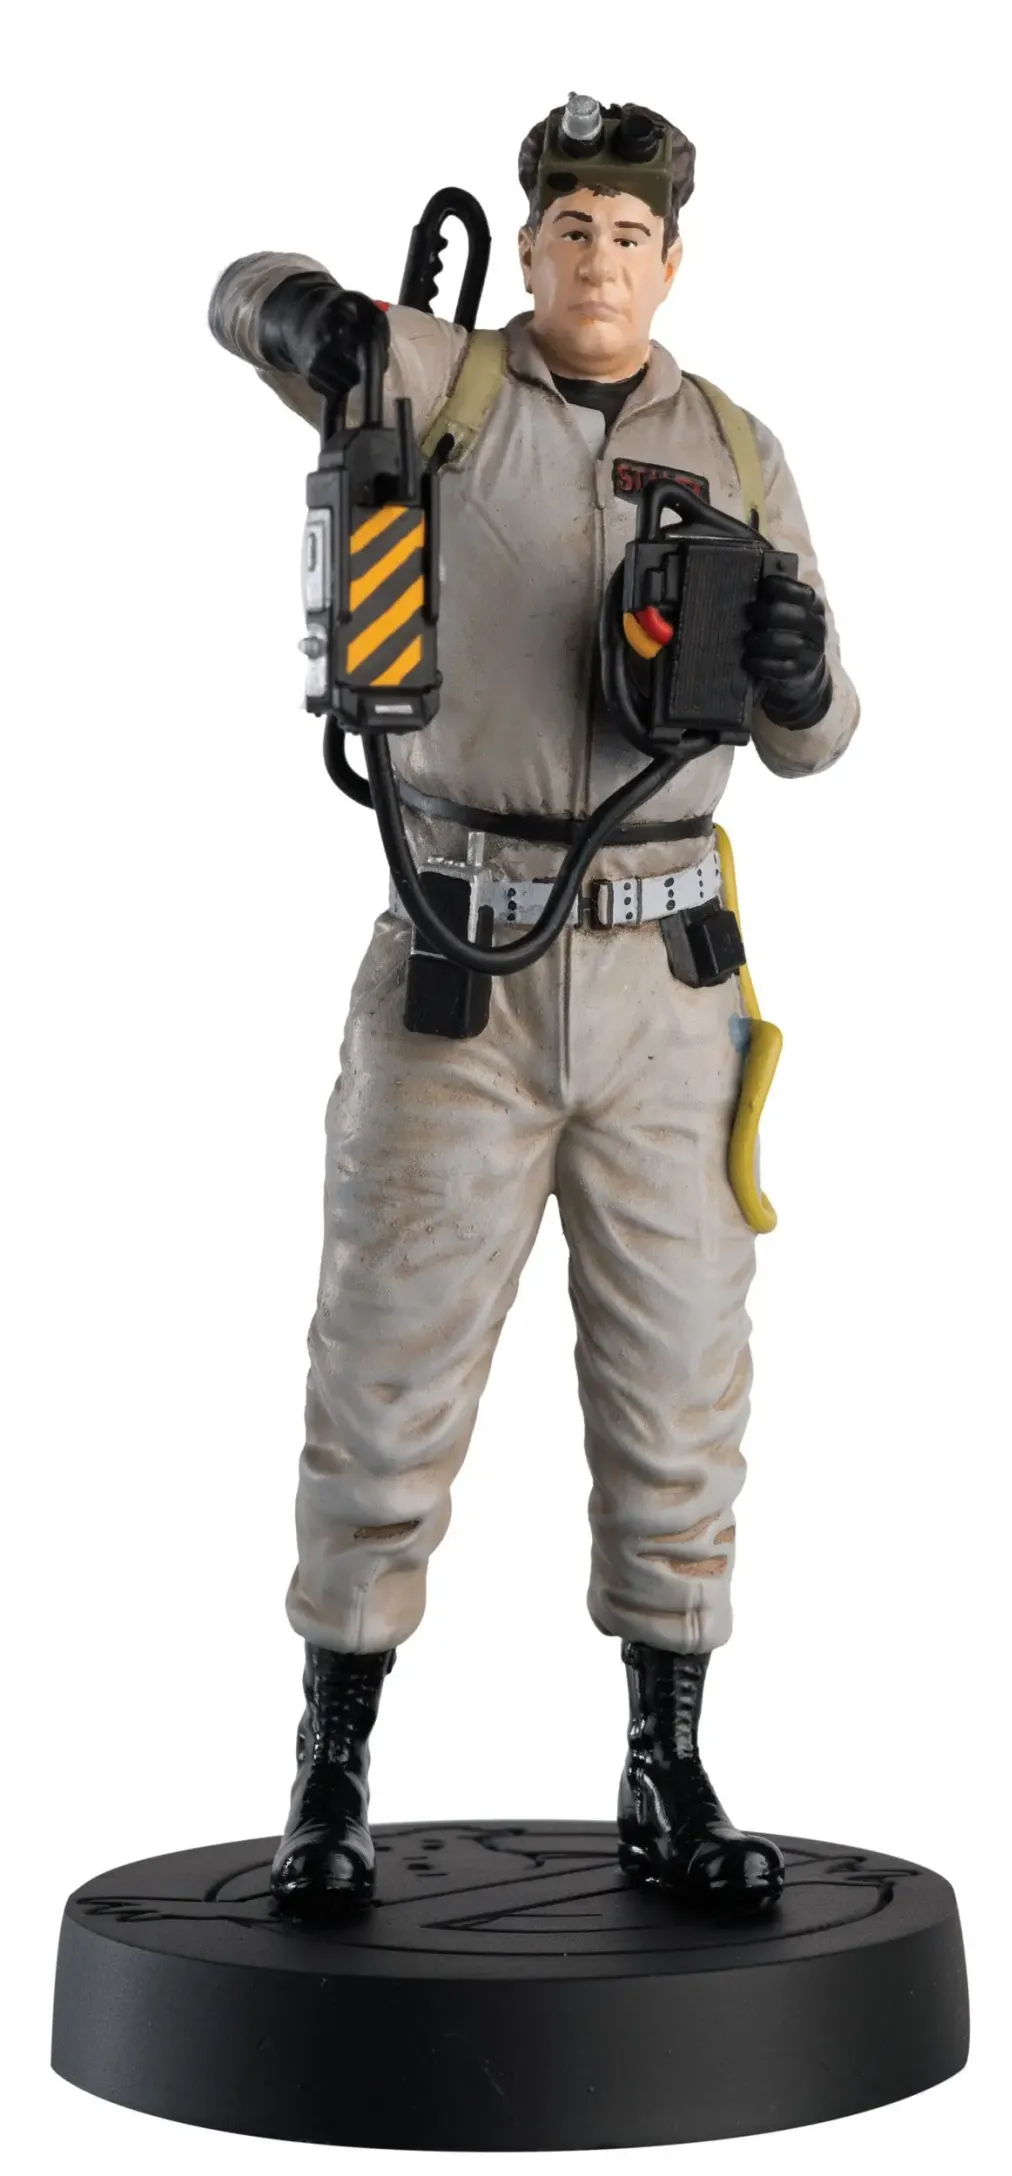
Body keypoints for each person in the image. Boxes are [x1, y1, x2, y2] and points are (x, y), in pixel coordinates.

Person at [209, 95, 859, 1918]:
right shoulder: (436, 384)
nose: (599, 261)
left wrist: (800, 666)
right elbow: (239, 291)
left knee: (681, 1384)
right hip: (458, 967)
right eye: (571, 227)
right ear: (528, 244)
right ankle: (332, 1763)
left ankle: (667, 1762)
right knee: (385, 1374)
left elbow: (818, 738)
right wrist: (301, 313)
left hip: (665, 985)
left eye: (630, 235)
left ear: (674, 261)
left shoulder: (737, 451)